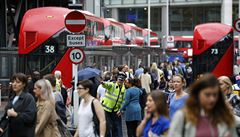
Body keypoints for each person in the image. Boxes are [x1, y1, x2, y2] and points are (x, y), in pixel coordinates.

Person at [168, 73, 237, 137]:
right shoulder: (182, 116)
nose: (212, 99)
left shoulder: (225, 117)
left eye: (215, 95)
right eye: (207, 94)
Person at [101, 72, 127, 137]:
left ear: (124, 81)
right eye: (119, 79)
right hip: (106, 109)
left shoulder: (124, 89)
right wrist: (103, 83)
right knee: (107, 126)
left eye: (122, 80)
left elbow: (123, 101)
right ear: (117, 79)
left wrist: (121, 110)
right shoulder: (113, 85)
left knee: (117, 127)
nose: (120, 81)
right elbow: (107, 85)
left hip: (116, 111)